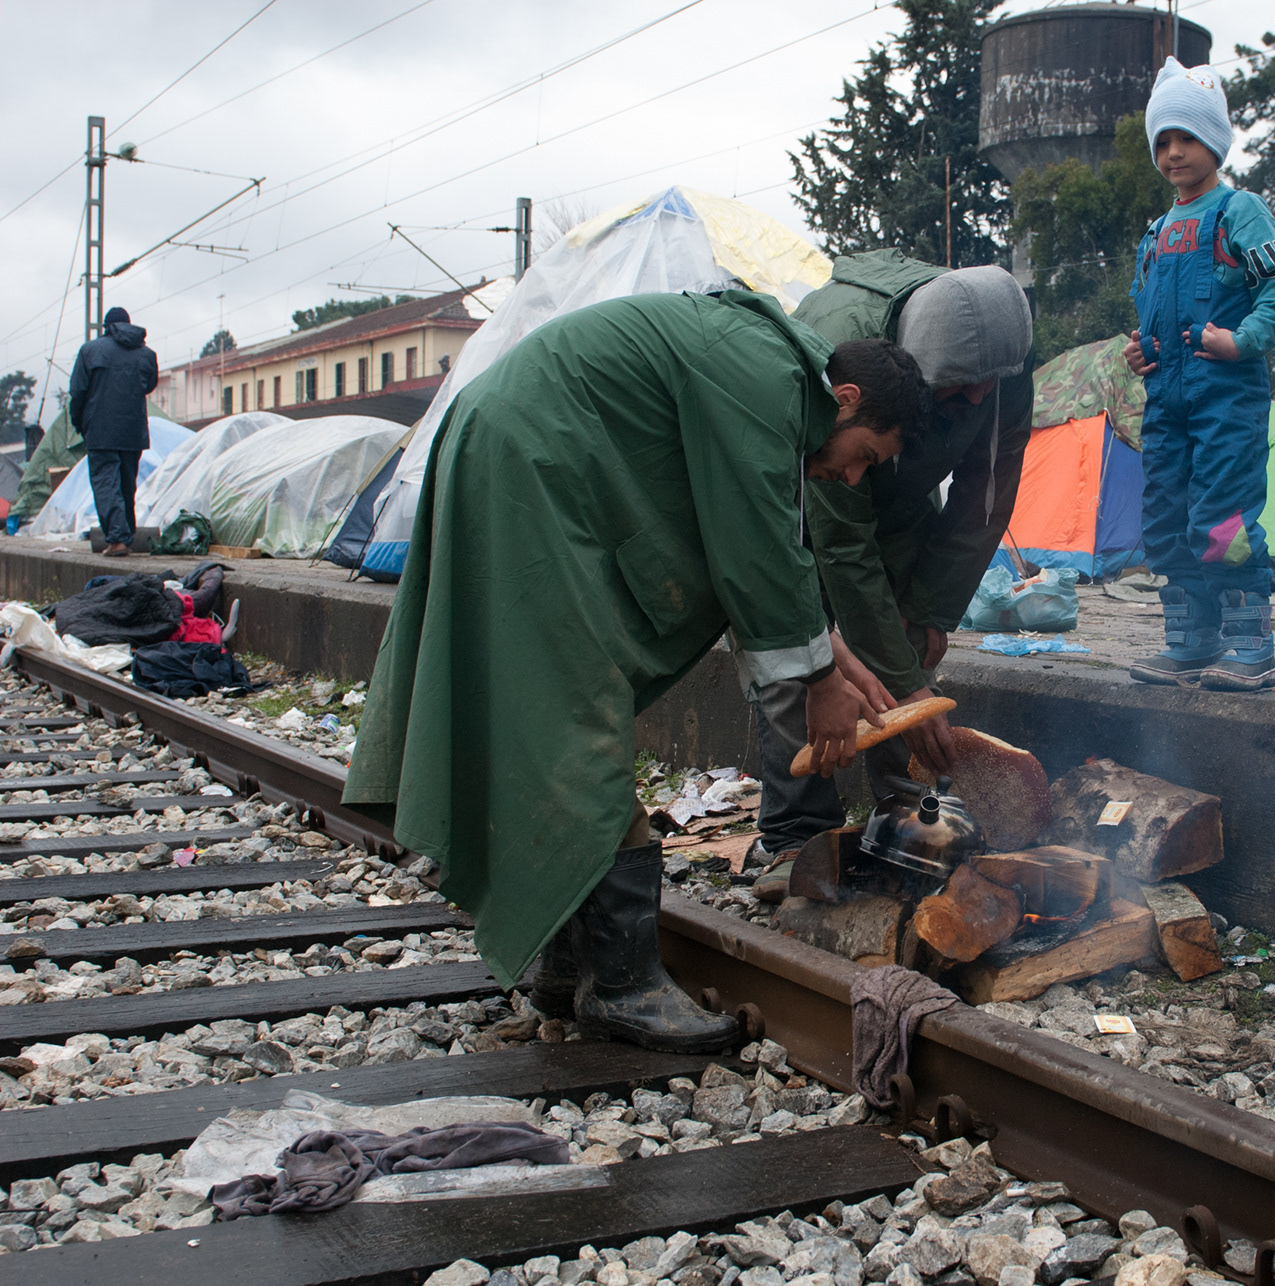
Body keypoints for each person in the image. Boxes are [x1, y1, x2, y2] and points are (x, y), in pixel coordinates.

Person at [341, 290, 930, 1052]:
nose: (852, 480)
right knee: (575, 706)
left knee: (551, 705)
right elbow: (751, 544)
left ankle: (564, 956)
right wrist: (818, 682)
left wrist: (831, 650)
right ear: (846, 401)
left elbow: (772, 544)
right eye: (864, 460)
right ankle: (621, 985)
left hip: (519, 449)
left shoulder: (773, 377)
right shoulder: (768, 379)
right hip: (530, 463)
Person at [743, 254, 1034, 867]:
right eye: (961, 385)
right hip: (813, 481)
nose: (980, 395)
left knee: (906, 639)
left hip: (902, 495)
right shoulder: (846, 358)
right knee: (801, 641)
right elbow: (842, 548)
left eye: (991, 382)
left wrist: (931, 613)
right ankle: (797, 832)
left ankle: (908, 823)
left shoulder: (1003, 358)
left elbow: (985, 497)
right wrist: (901, 685)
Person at [1123, 58, 1275, 691]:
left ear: (1215, 142)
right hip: (1166, 407)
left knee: (1222, 519)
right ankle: (1191, 641)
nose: (1174, 153)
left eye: (1187, 138)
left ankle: (1250, 644)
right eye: (1163, 141)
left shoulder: (1239, 212)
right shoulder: (1155, 232)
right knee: (1164, 520)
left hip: (1227, 403)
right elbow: (1148, 318)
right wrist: (1140, 352)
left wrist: (1242, 340)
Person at [69, 306, 158, 557]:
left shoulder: (90, 350)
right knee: (126, 484)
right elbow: (149, 385)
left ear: (106, 327)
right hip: (133, 429)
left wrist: (79, 422)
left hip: (100, 429)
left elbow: (78, 391)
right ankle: (125, 536)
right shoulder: (147, 355)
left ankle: (118, 539)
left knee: (106, 483)